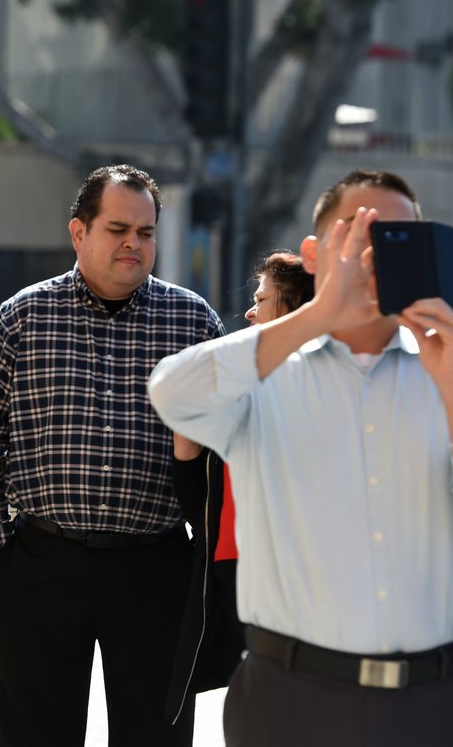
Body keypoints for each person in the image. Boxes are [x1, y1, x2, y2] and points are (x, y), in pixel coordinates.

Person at [149, 169, 453, 747]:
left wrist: (452, 386)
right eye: (359, 234)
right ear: (315, 255)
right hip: (289, 700)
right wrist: (318, 313)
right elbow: (171, 393)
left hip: (443, 700)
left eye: (396, 238)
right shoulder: (265, 373)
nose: (374, 257)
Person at [0, 164, 225, 746]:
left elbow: (226, 449)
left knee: (156, 735)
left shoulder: (194, 322)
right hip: (39, 563)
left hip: (156, 566)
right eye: (118, 229)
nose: (134, 244)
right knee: (35, 735)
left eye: (146, 232)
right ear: (78, 232)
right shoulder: (24, 316)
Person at [168, 250, 315, 714]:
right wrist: (186, 443)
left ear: (295, 309)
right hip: (231, 567)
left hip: (294, 572)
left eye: (262, 299)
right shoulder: (241, 380)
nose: (250, 312)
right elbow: (198, 504)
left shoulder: (320, 385)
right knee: (255, 708)